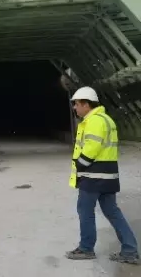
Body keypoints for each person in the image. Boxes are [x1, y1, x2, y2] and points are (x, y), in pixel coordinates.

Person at [65, 86, 139, 264]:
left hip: (93, 177)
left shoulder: (95, 121)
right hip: (107, 176)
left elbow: (91, 148)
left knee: (85, 210)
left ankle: (86, 248)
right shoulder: (106, 119)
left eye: (76, 104)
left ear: (86, 104)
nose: (75, 108)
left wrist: (79, 166)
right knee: (112, 212)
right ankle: (129, 250)